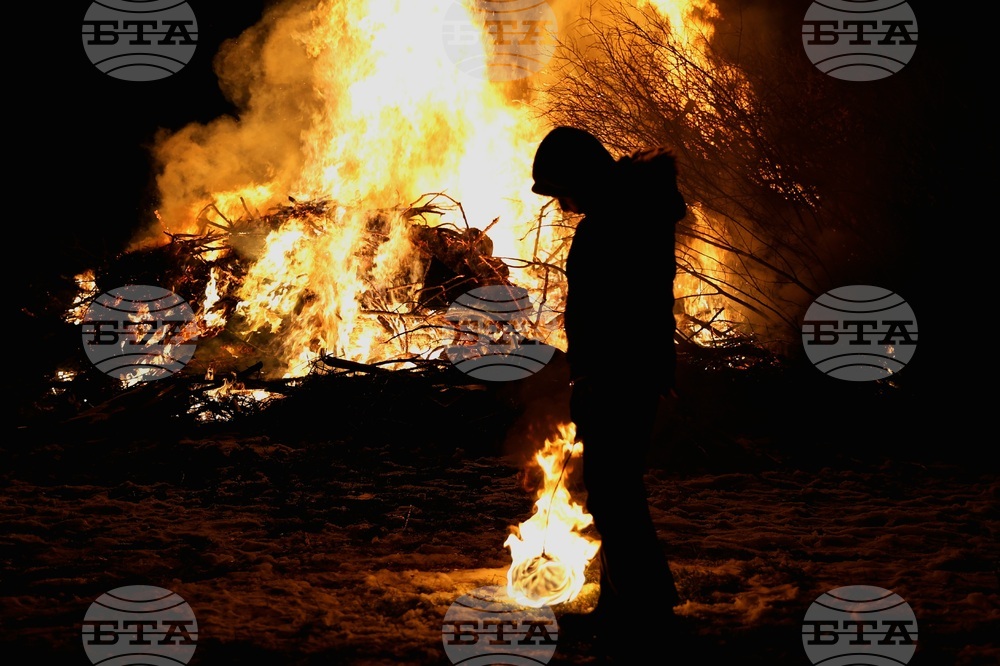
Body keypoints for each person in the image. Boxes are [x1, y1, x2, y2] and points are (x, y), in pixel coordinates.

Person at [530, 126, 687, 658]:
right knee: (613, 488)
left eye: (562, 191)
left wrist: (595, 378)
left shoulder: (617, 224)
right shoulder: (630, 214)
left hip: (621, 375)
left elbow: (613, 313)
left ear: (581, 179)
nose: (562, 204)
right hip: (628, 371)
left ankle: (646, 607)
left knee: (616, 491)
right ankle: (624, 604)